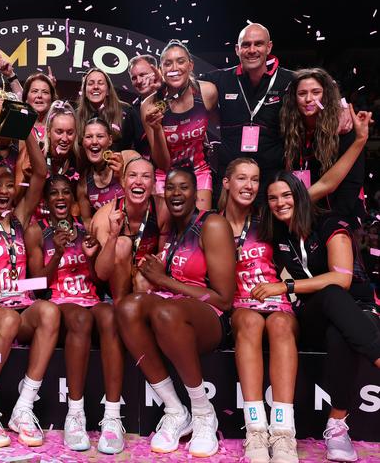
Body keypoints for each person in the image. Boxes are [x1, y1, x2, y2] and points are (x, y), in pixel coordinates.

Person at [259, 171, 380, 463]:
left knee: (339, 324)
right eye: (273, 198)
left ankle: (337, 426)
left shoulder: (328, 222)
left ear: (300, 195)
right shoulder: (277, 236)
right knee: (329, 297)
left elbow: (342, 280)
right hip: (311, 314)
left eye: (286, 195)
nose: (280, 203)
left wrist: (285, 286)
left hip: (357, 309)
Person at [116, 166, 236, 458]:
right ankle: (175, 409)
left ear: (196, 193)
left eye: (183, 187)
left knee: (167, 311)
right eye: (170, 188)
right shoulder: (172, 231)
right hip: (173, 311)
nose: (176, 194)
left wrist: (164, 280)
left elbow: (223, 299)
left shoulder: (213, 224)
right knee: (128, 306)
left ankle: (203, 413)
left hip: (211, 317)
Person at [0, 99, 61, 448]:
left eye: (9, 185)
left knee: (49, 310)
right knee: (6, 323)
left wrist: (30, 127)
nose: (5, 190)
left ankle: (24, 404)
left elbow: (40, 174)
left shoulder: (20, 217)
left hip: (23, 302)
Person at [25, 174, 126, 454]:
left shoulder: (85, 229)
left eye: (65, 193)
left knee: (111, 316)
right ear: (46, 201)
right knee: (81, 319)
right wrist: (56, 253)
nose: (60, 197)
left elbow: (98, 278)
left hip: (89, 298)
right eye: (54, 193)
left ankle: (112, 417)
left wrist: (92, 256)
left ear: (72, 200)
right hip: (59, 301)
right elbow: (34, 286)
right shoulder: (37, 231)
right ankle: (75, 414)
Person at [220, 158, 299, 463]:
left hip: (278, 300)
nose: (249, 186)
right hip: (241, 304)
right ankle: (255, 429)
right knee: (251, 322)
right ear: (227, 183)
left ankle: (283, 434)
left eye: (255, 180)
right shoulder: (213, 223)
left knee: (279, 325)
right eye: (241, 178)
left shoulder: (268, 218)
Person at [201, 23, 295, 203]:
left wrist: (342, 107)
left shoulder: (290, 80)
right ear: (237, 49)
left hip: (272, 179)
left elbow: (321, 85)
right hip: (230, 179)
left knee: (268, 230)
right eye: (246, 45)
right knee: (226, 229)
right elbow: (186, 85)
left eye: (258, 44)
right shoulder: (219, 79)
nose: (252, 50)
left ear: (269, 47)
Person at [280, 68, 372, 224]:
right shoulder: (289, 130)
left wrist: (334, 221)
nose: (309, 99)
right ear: (294, 99)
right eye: (302, 94)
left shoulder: (345, 128)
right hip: (302, 215)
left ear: (326, 96)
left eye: (316, 92)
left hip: (338, 215)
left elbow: (351, 184)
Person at [141, 40, 219, 210]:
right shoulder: (150, 106)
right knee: (166, 233)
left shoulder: (207, 92)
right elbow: (163, 164)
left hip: (198, 171)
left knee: (199, 227)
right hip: (166, 175)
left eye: (180, 61)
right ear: (161, 70)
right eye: (168, 63)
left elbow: (220, 124)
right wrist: (156, 128)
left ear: (191, 65)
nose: (174, 67)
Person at [91, 157, 168, 302]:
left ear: (153, 184)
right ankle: (120, 308)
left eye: (146, 176)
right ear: (123, 181)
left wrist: (147, 267)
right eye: (132, 175)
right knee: (122, 244)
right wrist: (113, 236)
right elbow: (101, 273)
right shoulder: (104, 217)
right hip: (112, 283)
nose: (138, 181)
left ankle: (140, 315)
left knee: (143, 279)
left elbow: (162, 258)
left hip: (146, 278)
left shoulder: (163, 210)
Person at [76, 117, 136, 227]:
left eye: (100, 136)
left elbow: (145, 201)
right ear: (83, 142)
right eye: (89, 137)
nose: (94, 141)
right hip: (107, 239)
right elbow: (87, 221)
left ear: (110, 140)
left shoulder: (129, 158)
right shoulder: (83, 183)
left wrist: (122, 178)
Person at [76, 67, 138, 151]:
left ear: (108, 91)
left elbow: (138, 147)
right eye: (90, 83)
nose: (96, 87)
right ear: (84, 92)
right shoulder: (77, 115)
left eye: (100, 83)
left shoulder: (126, 111)